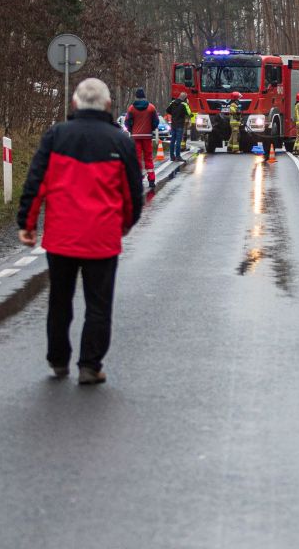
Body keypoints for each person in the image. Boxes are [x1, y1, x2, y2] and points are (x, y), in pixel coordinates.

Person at [18, 78, 143, 385]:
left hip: (61, 238)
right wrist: (126, 222)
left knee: (59, 301)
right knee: (98, 305)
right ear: (108, 105)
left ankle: (58, 360)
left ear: (74, 104)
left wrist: (27, 223)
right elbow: (132, 192)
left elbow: (37, 182)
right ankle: (90, 364)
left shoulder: (56, 136)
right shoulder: (121, 141)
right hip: (102, 239)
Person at [123, 87, 159, 190]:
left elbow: (127, 122)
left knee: (137, 158)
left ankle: (138, 180)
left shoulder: (131, 108)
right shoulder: (151, 108)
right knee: (148, 157)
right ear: (144, 95)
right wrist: (151, 129)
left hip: (135, 136)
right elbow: (156, 122)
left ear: (136, 96)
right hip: (147, 136)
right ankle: (151, 180)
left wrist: (132, 130)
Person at [165, 91, 193, 161]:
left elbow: (167, 110)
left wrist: (174, 114)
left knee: (172, 141)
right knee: (178, 141)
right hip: (180, 125)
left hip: (173, 124)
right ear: (185, 98)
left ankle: (172, 156)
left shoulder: (173, 102)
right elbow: (189, 113)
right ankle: (178, 156)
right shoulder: (184, 104)